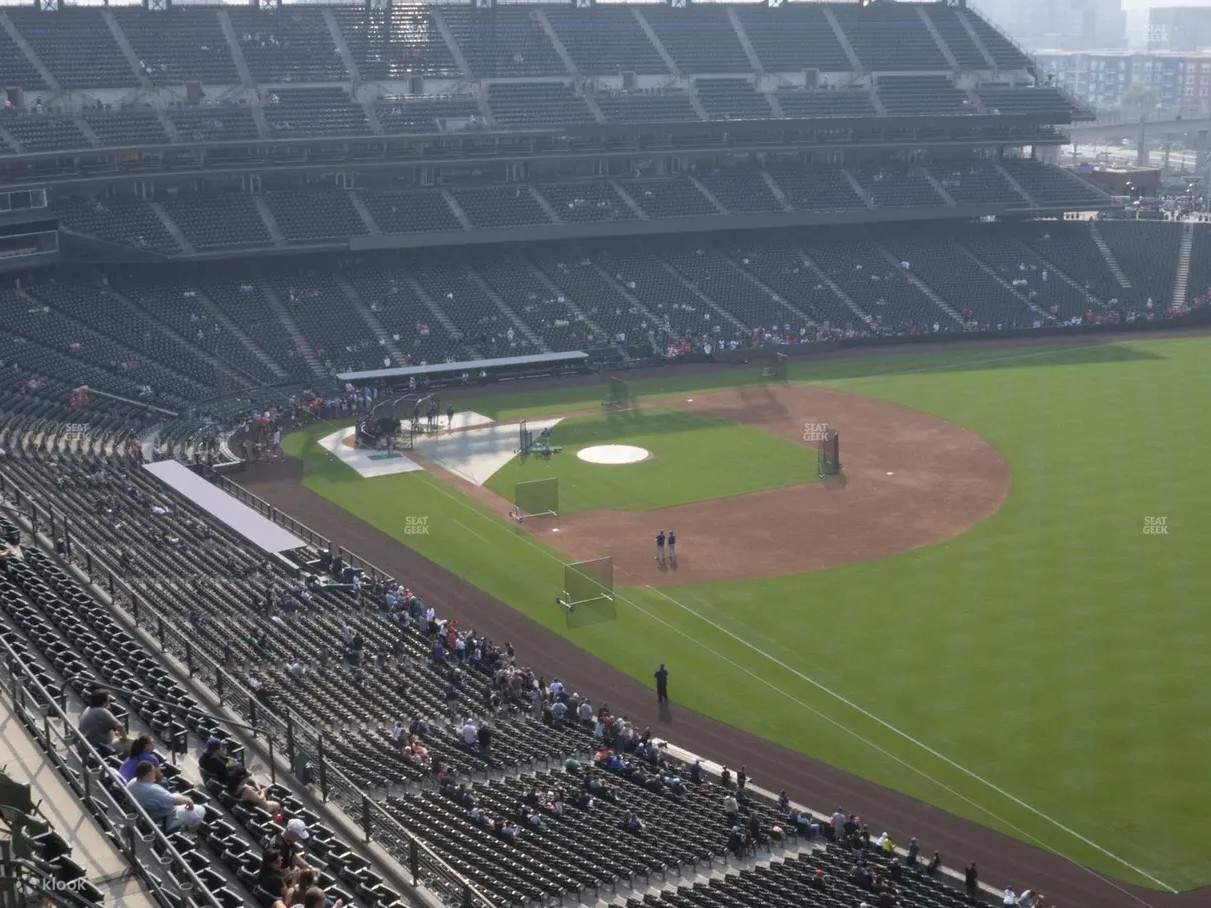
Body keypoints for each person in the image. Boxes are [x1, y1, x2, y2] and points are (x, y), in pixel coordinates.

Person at [127, 761, 205, 832]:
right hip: (162, 819)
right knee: (201, 810)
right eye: (154, 771)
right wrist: (189, 801)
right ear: (149, 774)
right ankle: (188, 832)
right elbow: (174, 800)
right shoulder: (152, 789)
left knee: (177, 795)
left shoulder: (132, 782)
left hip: (145, 815)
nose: (155, 773)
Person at [79, 688, 127, 756]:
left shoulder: (88, 709)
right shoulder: (102, 711)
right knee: (132, 743)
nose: (109, 702)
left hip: (86, 743)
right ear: (103, 702)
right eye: (108, 700)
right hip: (102, 747)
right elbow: (120, 727)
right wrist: (125, 739)